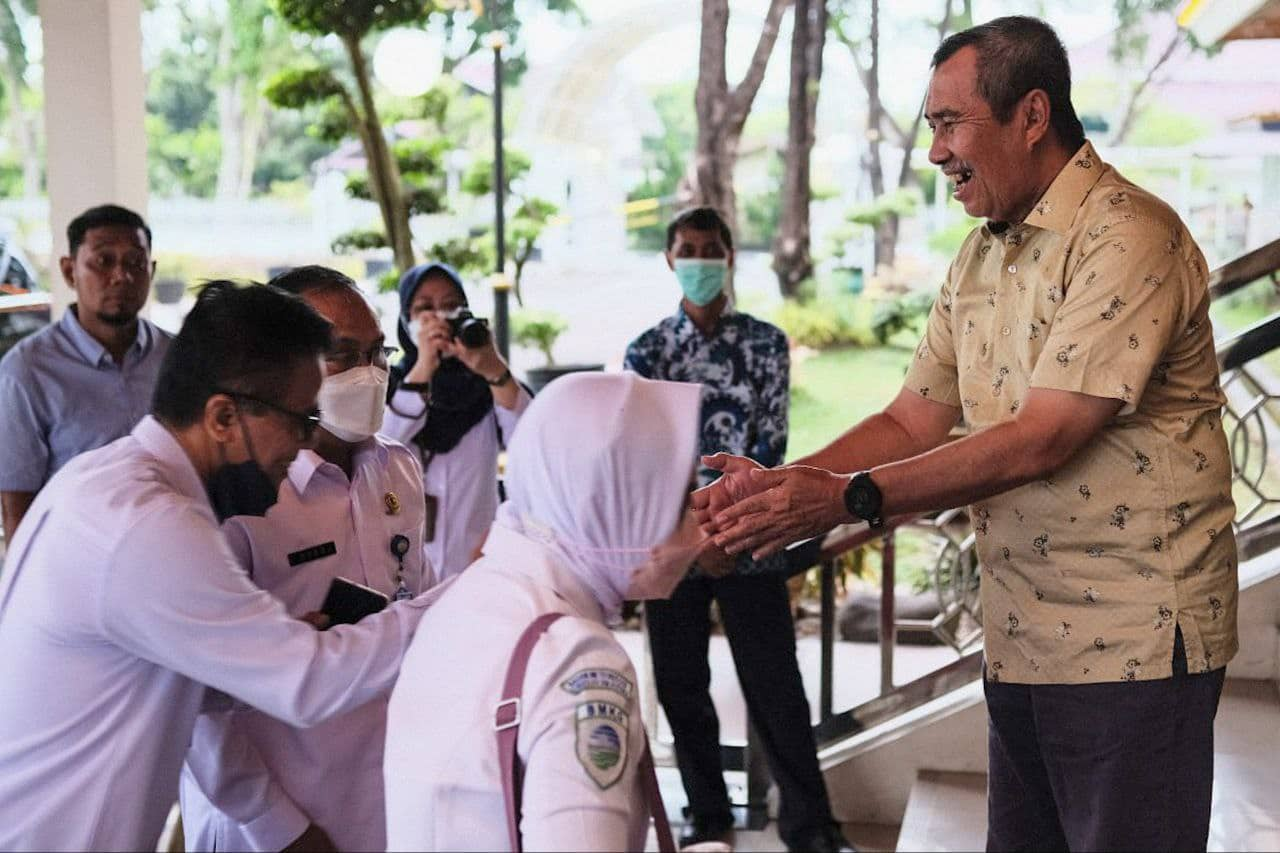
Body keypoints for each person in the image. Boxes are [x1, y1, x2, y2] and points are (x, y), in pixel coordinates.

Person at [698, 17, 1236, 852]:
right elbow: (911, 417)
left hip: (1132, 651)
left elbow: (1043, 437)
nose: (935, 153)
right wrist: (780, 488)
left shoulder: (1129, 234)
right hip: (1021, 641)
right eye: (931, 129)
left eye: (950, 125)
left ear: (1031, 115)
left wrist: (847, 500)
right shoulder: (982, 256)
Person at [0, 281, 446, 852]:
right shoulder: (147, 523)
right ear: (222, 417)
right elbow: (308, 683)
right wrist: (463, 600)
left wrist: (266, 640)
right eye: (301, 416)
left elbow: (199, 680)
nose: (307, 440)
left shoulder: (113, 485)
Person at [384, 372, 706, 852]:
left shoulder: (470, 599)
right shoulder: (578, 661)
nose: (698, 524)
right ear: (616, 506)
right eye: (678, 503)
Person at [179, 267, 433, 852]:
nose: (369, 374)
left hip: (379, 791)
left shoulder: (395, 468)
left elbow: (415, 602)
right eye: (341, 355)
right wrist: (274, 824)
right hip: (268, 815)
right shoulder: (235, 494)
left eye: (377, 353)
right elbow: (196, 699)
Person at [624, 206, 850, 853]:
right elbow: (646, 454)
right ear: (670, 260)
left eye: (710, 248)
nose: (698, 259)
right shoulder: (648, 351)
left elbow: (769, 444)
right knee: (679, 685)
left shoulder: (765, 345)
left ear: (729, 257)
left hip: (750, 541)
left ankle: (811, 828)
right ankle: (708, 817)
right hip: (670, 542)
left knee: (776, 687)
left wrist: (723, 536)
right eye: (686, 249)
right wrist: (695, 540)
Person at [0, 204, 171, 542]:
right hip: (74, 566)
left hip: (170, 553)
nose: (121, 276)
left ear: (151, 270)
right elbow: (17, 510)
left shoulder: (178, 357)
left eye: (135, 263)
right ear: (69, 271)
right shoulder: (27, 372)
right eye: (103, 261)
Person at [382, 262, 531, 581]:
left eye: (451, 306)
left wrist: (494, 370)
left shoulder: (486, 386)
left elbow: (531, 441)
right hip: (402, 568)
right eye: (424, 309)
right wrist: (423, 369)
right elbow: (382, 446)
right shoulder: (391, 384)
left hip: (479, 564)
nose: (439, 318)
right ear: (405, 320)